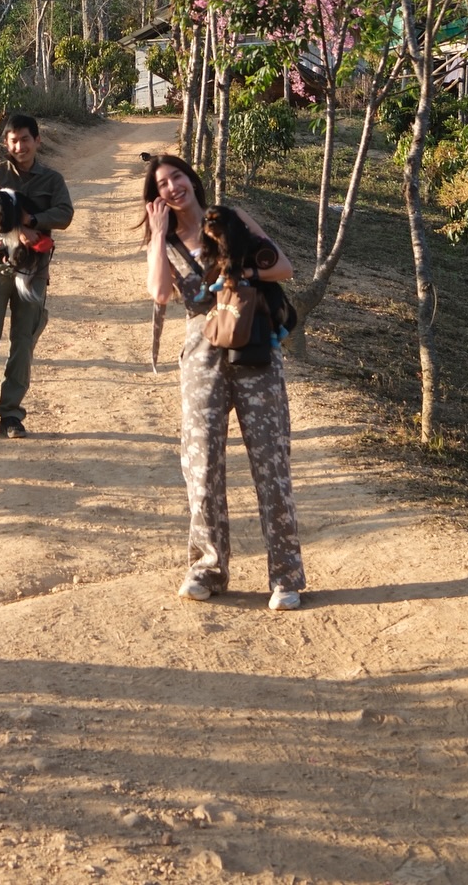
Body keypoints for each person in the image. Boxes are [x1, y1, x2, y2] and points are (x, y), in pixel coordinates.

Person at [143, 152, 306, 610]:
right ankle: (207, 568)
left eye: (177, 177)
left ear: (191, 179)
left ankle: (286, 578)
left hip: (254, 343)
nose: (173, 187)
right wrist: (157, 236)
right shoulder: (166, 242)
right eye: (162, 185)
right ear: (156, 197)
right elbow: (158, 292)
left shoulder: (233, 218)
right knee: (203, 466)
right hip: (201, 352)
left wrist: (240, 274)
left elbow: (285, 267)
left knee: (271, 462)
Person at [0, 112, 74, 439]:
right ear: (5, 143)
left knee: (23, 343)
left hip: (33, 269)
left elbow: (64, 214)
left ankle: (11, 415)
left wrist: (32, 222)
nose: (20, 146)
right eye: (13, 140)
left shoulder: (52, 180)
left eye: (25, 139)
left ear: (37, 140)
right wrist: (16, 229)